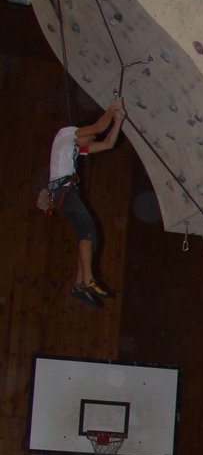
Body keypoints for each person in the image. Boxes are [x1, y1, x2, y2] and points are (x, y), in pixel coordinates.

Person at [41, 100, 125, 306]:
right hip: (64, 191)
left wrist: (119, 121)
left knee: (88, 236)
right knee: (87, 231)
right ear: (81, 131)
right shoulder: (66, 134)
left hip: (65, 192)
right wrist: (112, 108)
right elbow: (97, 128)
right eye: (89, 137)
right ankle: (87, 280)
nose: (91, 139)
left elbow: (107, 144)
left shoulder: (74, 149)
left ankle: (79, 283)